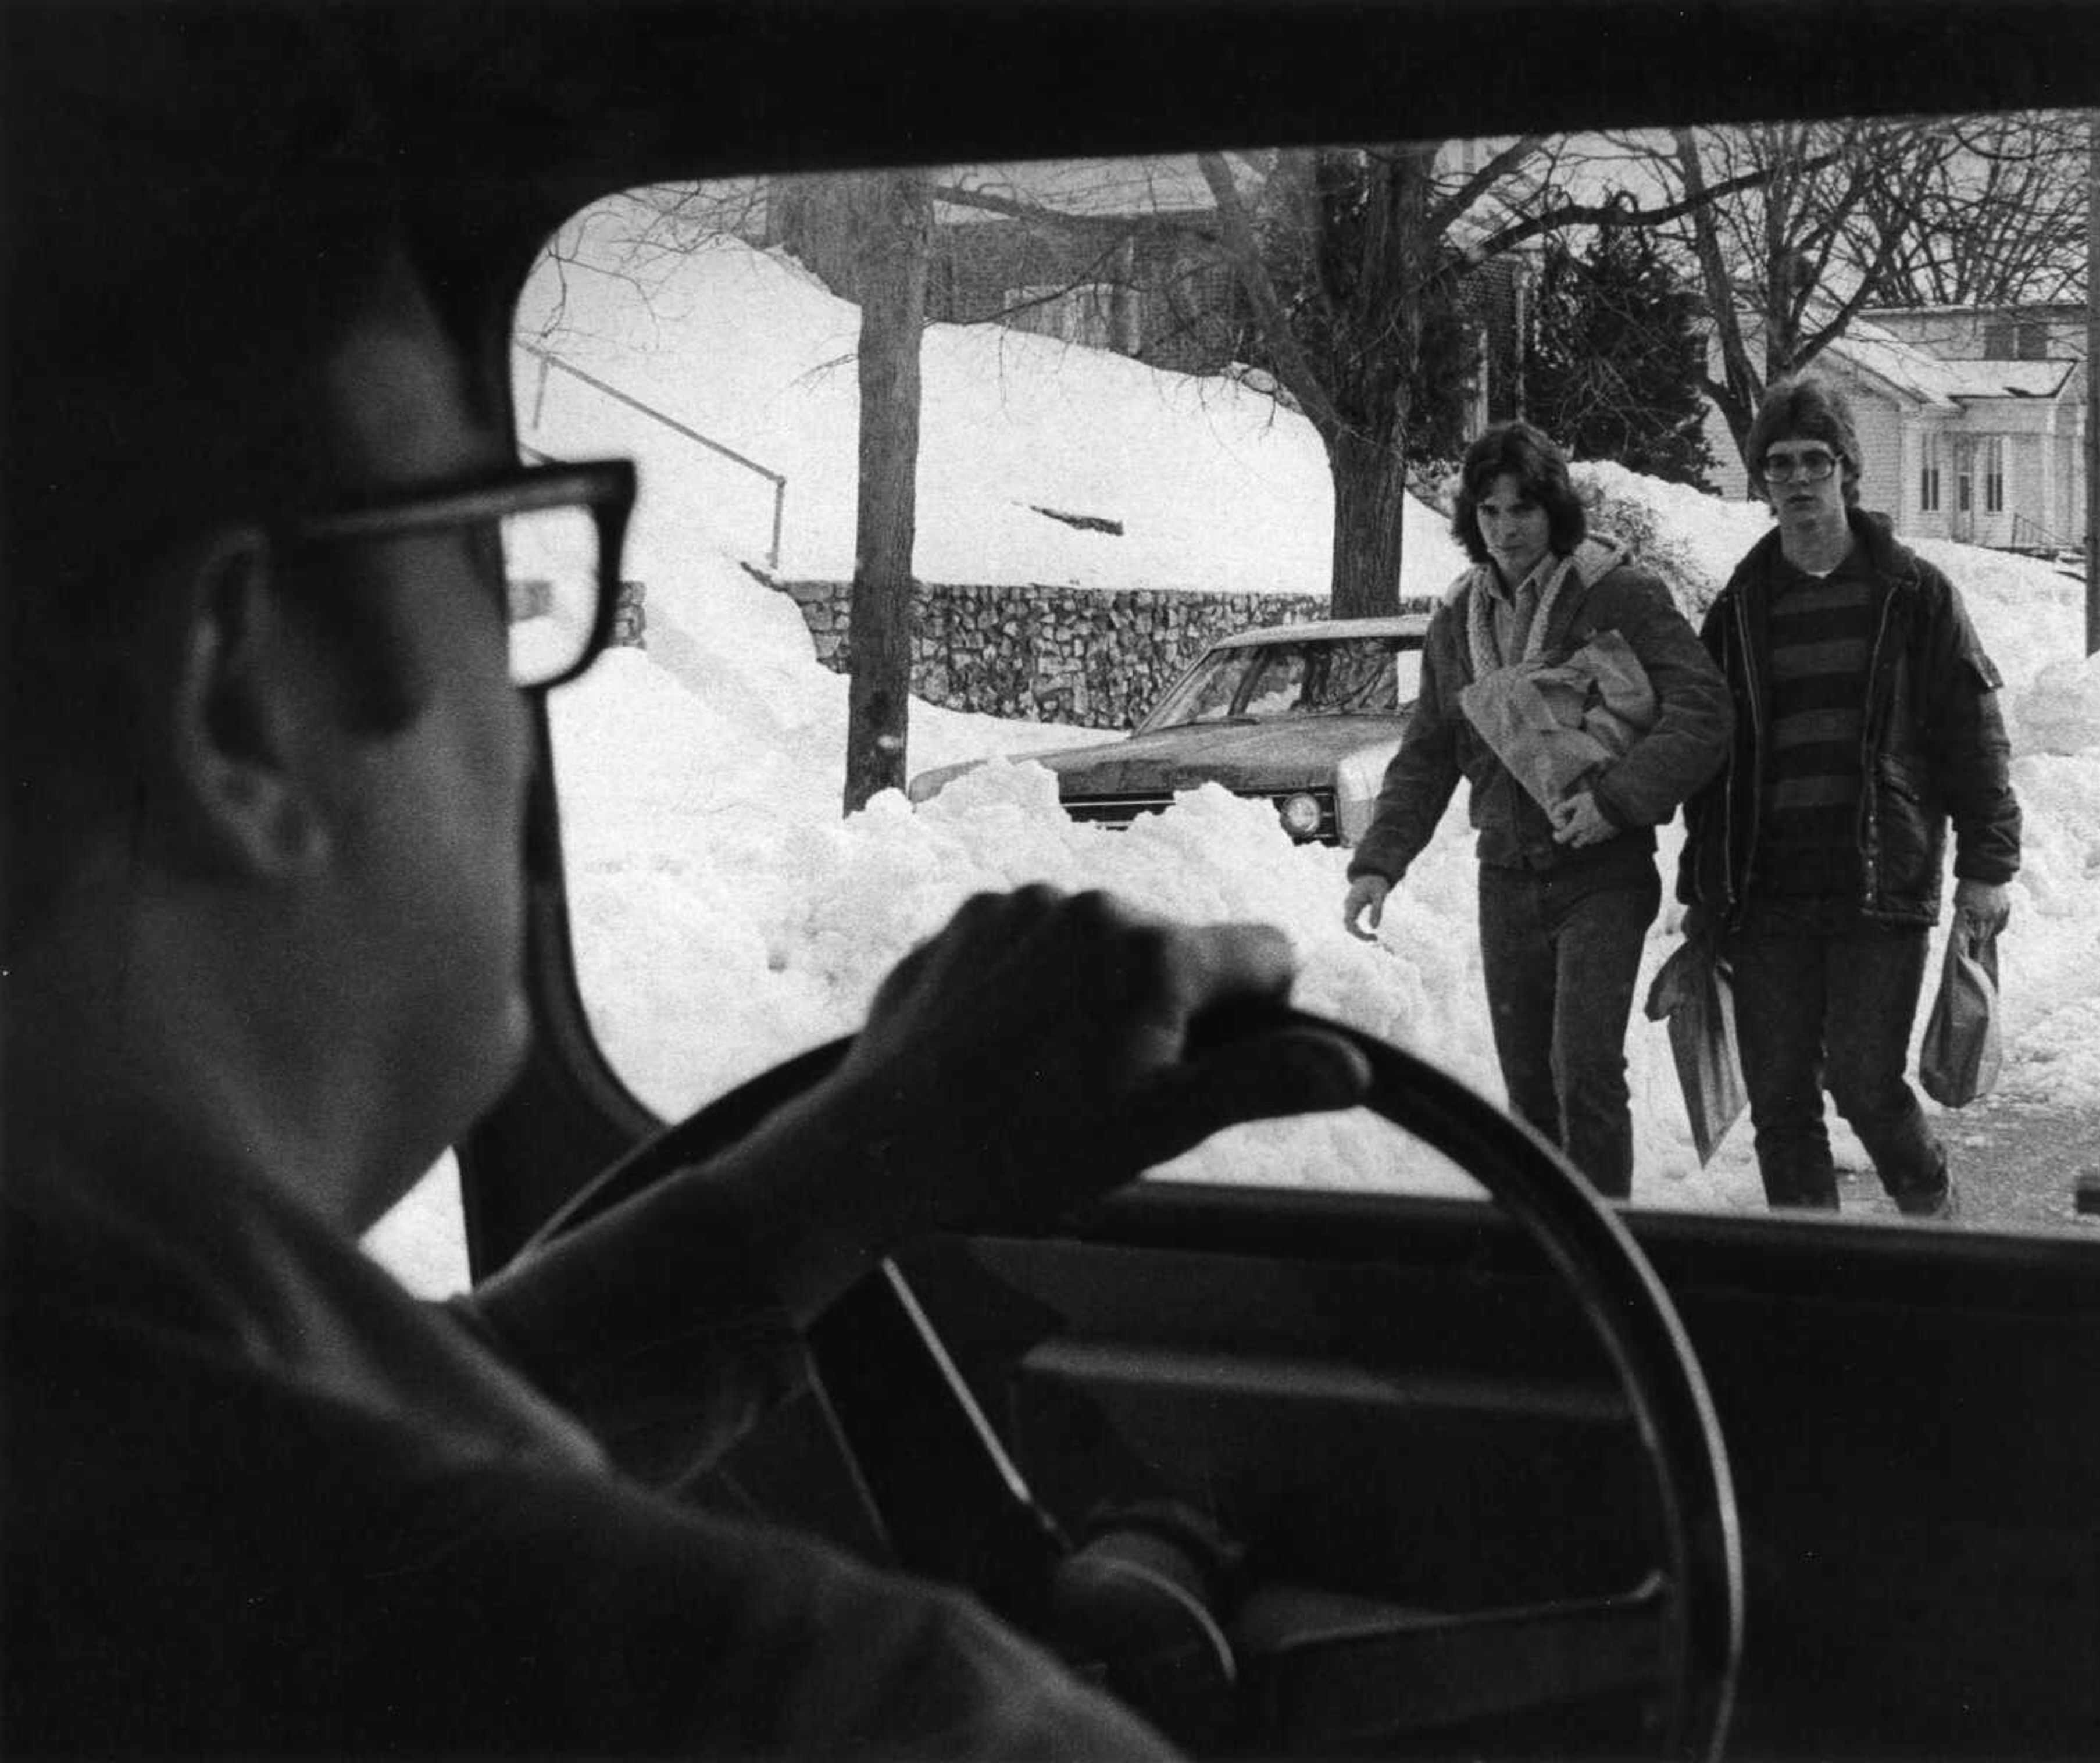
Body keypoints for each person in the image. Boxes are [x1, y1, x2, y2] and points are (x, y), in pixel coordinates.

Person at [0, 14, 1369, 1756]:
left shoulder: (101, 1451)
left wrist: (841, 1172)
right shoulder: (844, 1717)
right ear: (233, 704)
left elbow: (300, 1462)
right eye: (494, 556)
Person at [1342, 422, 1732, 1198]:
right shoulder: (1460, 619)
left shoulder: (1617, 591)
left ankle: (1610, 1252)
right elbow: (1427, 752)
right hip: (1506, 879)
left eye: (1522, 510)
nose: (1507, 529)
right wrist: (1378, 862)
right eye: (1489, 512)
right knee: (1527, 1090)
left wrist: (1618, 803)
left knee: (1582, 1069)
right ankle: (1554, 1256)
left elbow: (1705, 709)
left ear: (1554, 509)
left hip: (1603, 873)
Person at [1676, 374, 2021, 1216]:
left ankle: (1930, 1209)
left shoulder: (1914, 594)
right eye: (1779, 465)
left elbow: (1972, 737)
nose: (1798, 480)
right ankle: (1813, 1282)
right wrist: (1703, 894)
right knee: (1782, 1100)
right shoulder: (1741, 608)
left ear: (1847, 470)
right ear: (1762, 481)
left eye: (1815, 461)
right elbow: (1714, 767)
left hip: (1879, 885)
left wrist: (1988, 866)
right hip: (1767, 895)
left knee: (1866, 1082)